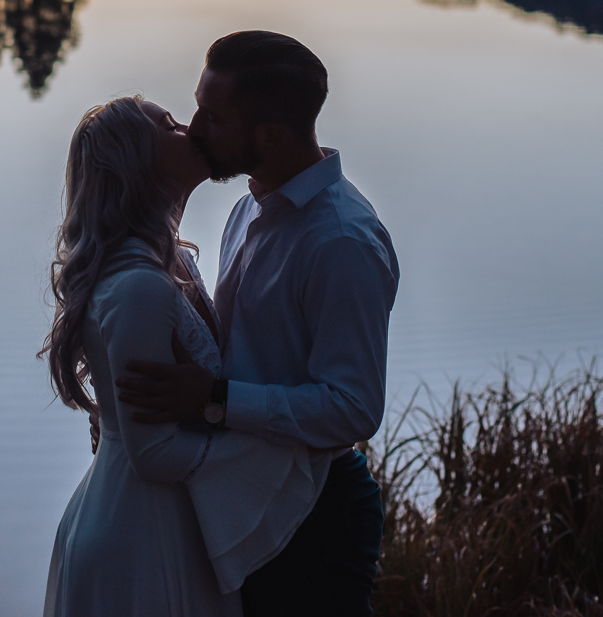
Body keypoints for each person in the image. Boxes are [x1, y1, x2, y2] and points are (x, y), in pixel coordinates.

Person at [115, 31, 400, 617]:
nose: (194, 127)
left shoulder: (341, 244)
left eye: (212, 116)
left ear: (268, 136)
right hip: (249, 492)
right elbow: (232, 349)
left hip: (318, 509)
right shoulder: (249, 207)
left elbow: (354, 409)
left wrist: (215, 401)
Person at [42, 97, 324, 617]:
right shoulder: (138, 289)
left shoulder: (178, 264)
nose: (190, 128)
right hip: (141, 536)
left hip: (176, 523)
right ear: (137, 162)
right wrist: (285, 452)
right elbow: (152, 454)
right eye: (168, 125)